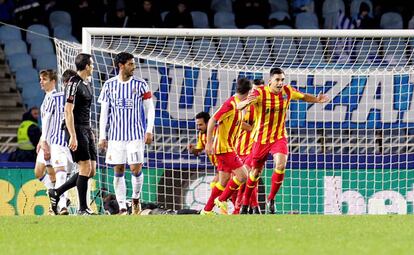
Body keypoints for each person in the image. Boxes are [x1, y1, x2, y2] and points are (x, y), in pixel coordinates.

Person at [237, 67, 329, 214]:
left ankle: (271, 199)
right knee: (254, 173)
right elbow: (239, 106)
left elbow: (304, 96)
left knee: (280, 164)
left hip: (279, 136)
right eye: (277, 80)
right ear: (270, 81)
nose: (280, 83)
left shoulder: (287, 91)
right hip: (261, 139)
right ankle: (245, 203)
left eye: (282, 80)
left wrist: (317, 100)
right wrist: (245, 103)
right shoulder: (259, 92)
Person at [98, 52, 155, 215]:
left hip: (136, 135)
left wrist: (149, 130)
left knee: (135, 169)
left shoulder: (141, 84)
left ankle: (135, 198)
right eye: (130, 64)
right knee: (119, 170)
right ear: (121, 65)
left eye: (133, 63)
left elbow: (149, 108)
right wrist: (103, 136)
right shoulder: (109, 85)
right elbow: (104, 113)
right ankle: (122, 206)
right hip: (116, 137)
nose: (134, 67)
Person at [48, 53, 97, 215]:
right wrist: (73, 135)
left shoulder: (87, 83)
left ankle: (56, 192)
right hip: (76, 129)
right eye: (92, 64)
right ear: (86, 66)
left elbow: (85, 110)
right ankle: (83, 209)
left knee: (91, 170)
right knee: (84, 167)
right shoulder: (73, 83)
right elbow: (68, 111)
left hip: (86, 129)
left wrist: (90, 132)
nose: (94, 67)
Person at [200, 78, 252, 215]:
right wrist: (209, 142)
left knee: (223, 181)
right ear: (249, 92)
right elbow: (212, 120)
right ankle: (222, 199)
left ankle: (206, 211)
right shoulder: (230, 104)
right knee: (243, 176)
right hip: (224, 148)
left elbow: (237, 124)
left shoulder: (240, 105)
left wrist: (253, 129)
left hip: (227, 148)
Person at [34, 69, 75, 215]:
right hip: (47, 141)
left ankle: (59, 202)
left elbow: (52, 124)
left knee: (57, 174)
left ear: (53, 81)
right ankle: (57, 196)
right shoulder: (47, 98)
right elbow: (46, 122)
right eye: (40, 79)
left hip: (54, 143)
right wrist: (41, 140)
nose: (41, 82)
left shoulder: (57, 97)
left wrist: (46, 143)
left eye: (44, 79)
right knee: (39, 172)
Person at [234, 78, 264, 214]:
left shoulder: (266, 106)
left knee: (252, 178)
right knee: (244, 180)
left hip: (255, 147)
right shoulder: (245, 104)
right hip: (239, 146)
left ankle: (245, 208)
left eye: (260, 89)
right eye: (255, 89)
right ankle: (251, 208)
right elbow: (235, 121)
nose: (257, 92)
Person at [187, 111, 219, 189]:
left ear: (208, 123)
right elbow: (199, 150)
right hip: (219, 167)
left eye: (200, 124)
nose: (198, 127)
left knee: (215, 186)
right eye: (197, 125)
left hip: (228, 165)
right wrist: (193, 150)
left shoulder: (219, 131)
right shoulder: (201, 134)